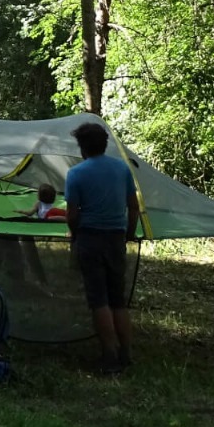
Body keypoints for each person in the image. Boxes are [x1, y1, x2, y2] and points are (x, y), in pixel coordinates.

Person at [64, 120, 139, 374]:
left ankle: (109, 355)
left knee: (99, 299)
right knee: (118, 299)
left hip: (90, 238)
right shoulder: (122, 169)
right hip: (116, 237)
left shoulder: (76, 174)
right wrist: (128, 234)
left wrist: (74, 236)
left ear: (82, 147)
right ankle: (126, 353)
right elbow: (134, 206)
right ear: (105, 145)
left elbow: (72, 214)